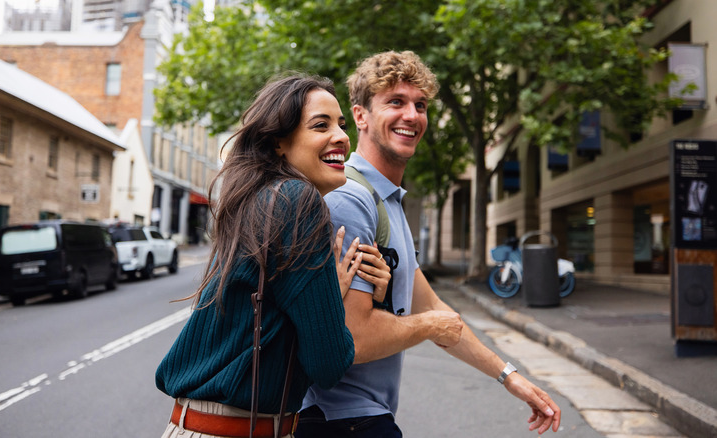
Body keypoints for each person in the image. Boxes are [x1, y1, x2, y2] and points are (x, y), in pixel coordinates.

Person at [296, 51, 562, 437]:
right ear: (360, 116)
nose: (412, 115)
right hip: (341, 420)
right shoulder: (351, 198)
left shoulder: (385, 201)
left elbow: (432, 305)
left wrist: (510, 376)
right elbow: (351, 336)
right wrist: (428, 326)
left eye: (420, 105)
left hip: (360, 418)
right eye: (395, 102)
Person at [155, 74, 391, 438]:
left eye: (342, 125)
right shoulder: (298, 200)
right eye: (320, 125)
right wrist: (335, 298)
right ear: (279, 142)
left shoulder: (261, 200)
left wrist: (325, 288)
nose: (342, 137)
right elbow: (329, 363)